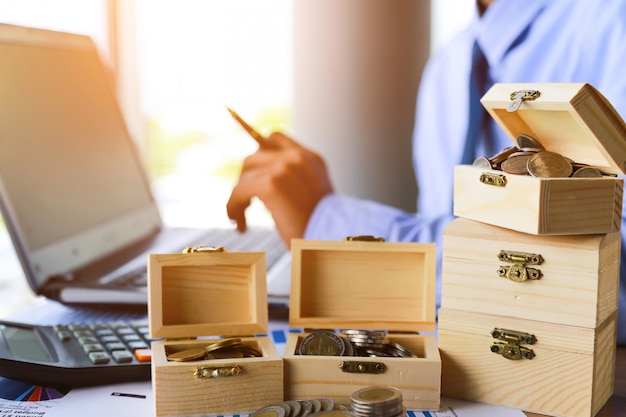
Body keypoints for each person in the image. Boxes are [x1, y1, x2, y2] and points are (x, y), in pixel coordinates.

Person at [226, 0, 626, 345]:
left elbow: (612, 274)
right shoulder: (447, 67)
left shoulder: (613, 26)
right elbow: (448, 248)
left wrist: (328, 228)